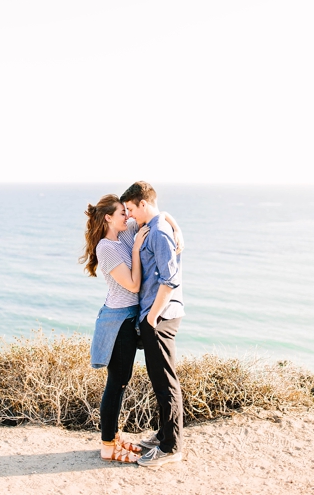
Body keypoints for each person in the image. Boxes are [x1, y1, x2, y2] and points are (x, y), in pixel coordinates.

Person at [80, 195, 182, 464]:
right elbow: (134, 286)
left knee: (121, 381)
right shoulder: (106, 248)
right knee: (116, 383)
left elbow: (157, 217)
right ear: (108, 218)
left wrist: (177, 229)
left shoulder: (126, 234)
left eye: (128, 211)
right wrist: (137, 251)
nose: (128, 216)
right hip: (118, 319)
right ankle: (107, 446)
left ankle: (113, 438)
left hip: (129, 318)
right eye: (122, 213)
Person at [120, 181, 184, 468]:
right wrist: (171, 218)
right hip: (156, 314)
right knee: (160, 381)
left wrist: (152, 317)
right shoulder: (158, 224)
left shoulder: (158, 231)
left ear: (143, 204)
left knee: (165, 382)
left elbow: (170, 278)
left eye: (132, 208)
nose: (130, 215)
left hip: (159, 316)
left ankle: (171, 448)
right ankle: (164, 435)